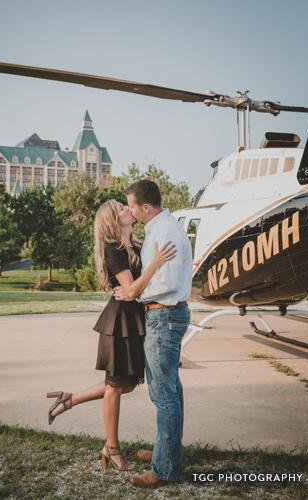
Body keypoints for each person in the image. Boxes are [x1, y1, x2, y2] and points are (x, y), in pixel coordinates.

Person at [46, 199, 176, 471]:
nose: (126, 208)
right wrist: (157, 263)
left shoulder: (135, 245)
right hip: (120, 322)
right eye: (120, 208)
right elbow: (132, 289)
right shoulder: (113, 249)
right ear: (112, 220)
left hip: (134, 318)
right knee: (116, 385)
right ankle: (111, 448)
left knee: (124, 384)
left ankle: (70, 399)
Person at [114, 180, 192, 488]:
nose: (129, 210)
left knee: (164, 396)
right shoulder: (159, 228)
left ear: (146, 207)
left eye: (132, 205)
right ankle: (167, 451)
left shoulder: (166, 231)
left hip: (165, 315)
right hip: (163, 315)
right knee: (170, 390)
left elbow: (169, 282)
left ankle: (164, 469)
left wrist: (135, 293)